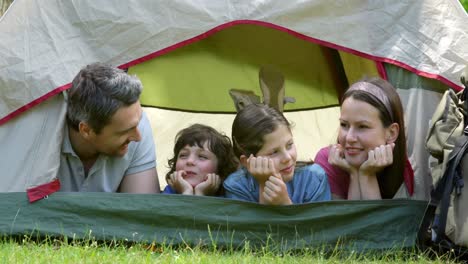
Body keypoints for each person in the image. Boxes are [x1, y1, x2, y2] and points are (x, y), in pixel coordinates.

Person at [58, 62, 160, 193]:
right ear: (86, 130)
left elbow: (143, 209)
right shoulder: (42, 134)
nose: (138, 137)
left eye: (138, 122)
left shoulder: (135, 122)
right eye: (124, 131)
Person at [314, 77, 414, 200]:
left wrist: (367, 175)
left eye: (362, 126)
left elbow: (374, 220)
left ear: (391, 133)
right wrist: (354, 174)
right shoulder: (328, 161)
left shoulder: (410, 168)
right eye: (344, 125)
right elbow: (352, 219)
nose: (349, 138)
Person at [224, 104, 331, 205]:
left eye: (289, 145)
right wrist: (264, 186)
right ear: (247, 161)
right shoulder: (236, 186)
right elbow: (254, 225)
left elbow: (319, 224)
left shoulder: (314, 178)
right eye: (274, 152)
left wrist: (284, 204)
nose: (287, 158)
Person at [163, 124, 238, 196]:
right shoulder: (169, 192)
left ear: (220, 167)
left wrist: (200, 193)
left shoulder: (229, 197)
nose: (190, 161)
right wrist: (186, 191)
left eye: (202, 157)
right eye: (183, 155)